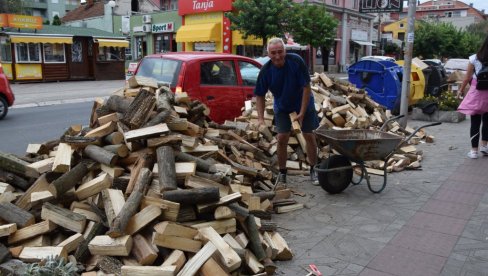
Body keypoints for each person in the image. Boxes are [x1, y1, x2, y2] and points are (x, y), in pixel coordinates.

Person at [254, 37, 319, 185]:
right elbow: (259, 95)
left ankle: (313, 168)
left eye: (280, 51)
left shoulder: (296, 61)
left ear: (285, 50)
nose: (277, 56)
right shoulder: (266, 71)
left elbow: (306, 87)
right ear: (268, 54)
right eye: (273, 53)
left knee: (308, 134)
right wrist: (260, 119)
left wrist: (302, 112)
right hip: (282, 105)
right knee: (282, 137)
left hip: (303, 101)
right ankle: (282, 172)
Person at [457, 35, 488, 159]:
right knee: (487, 121)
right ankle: (484, 146)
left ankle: (474, 151)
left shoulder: (474, 58)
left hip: (476, 92)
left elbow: (467, 78)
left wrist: (460, 90)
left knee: (475, 122)